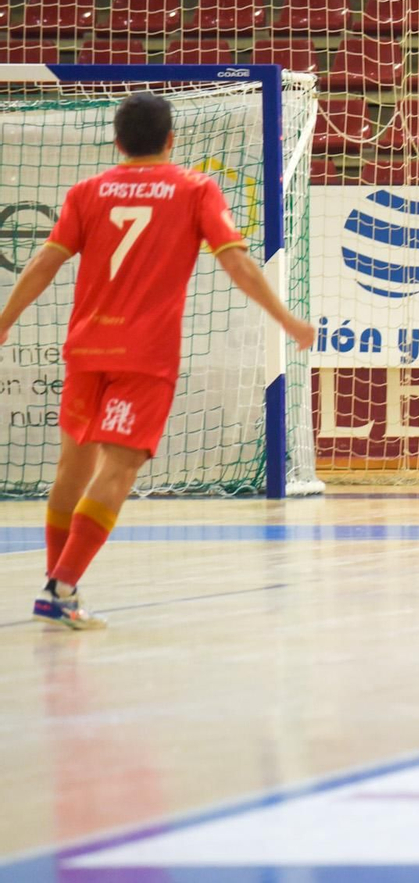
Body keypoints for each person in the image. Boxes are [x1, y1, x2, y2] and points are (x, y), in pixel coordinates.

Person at [0, 93, 316, 630]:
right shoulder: (194, 189)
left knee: (70, 472)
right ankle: (61, 588)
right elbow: (237, 265)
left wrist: (4, 321)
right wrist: (286, 319)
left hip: (86, 349)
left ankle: (59, 589)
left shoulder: (86, 192)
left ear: (117, 140)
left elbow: (43, 263)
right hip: (144, 358)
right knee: (118, 471)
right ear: (172, 140)